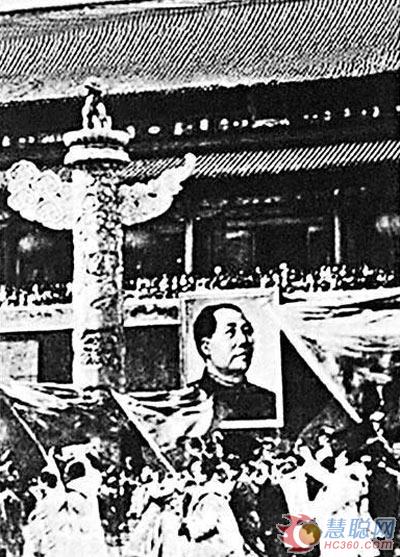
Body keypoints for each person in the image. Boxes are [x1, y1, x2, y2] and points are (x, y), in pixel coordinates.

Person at [191, 303, 276, 421]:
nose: (244, 340)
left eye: (246, 331)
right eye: (230, 332)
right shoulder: (189, 402)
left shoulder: (268, 401)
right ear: (206, 347)